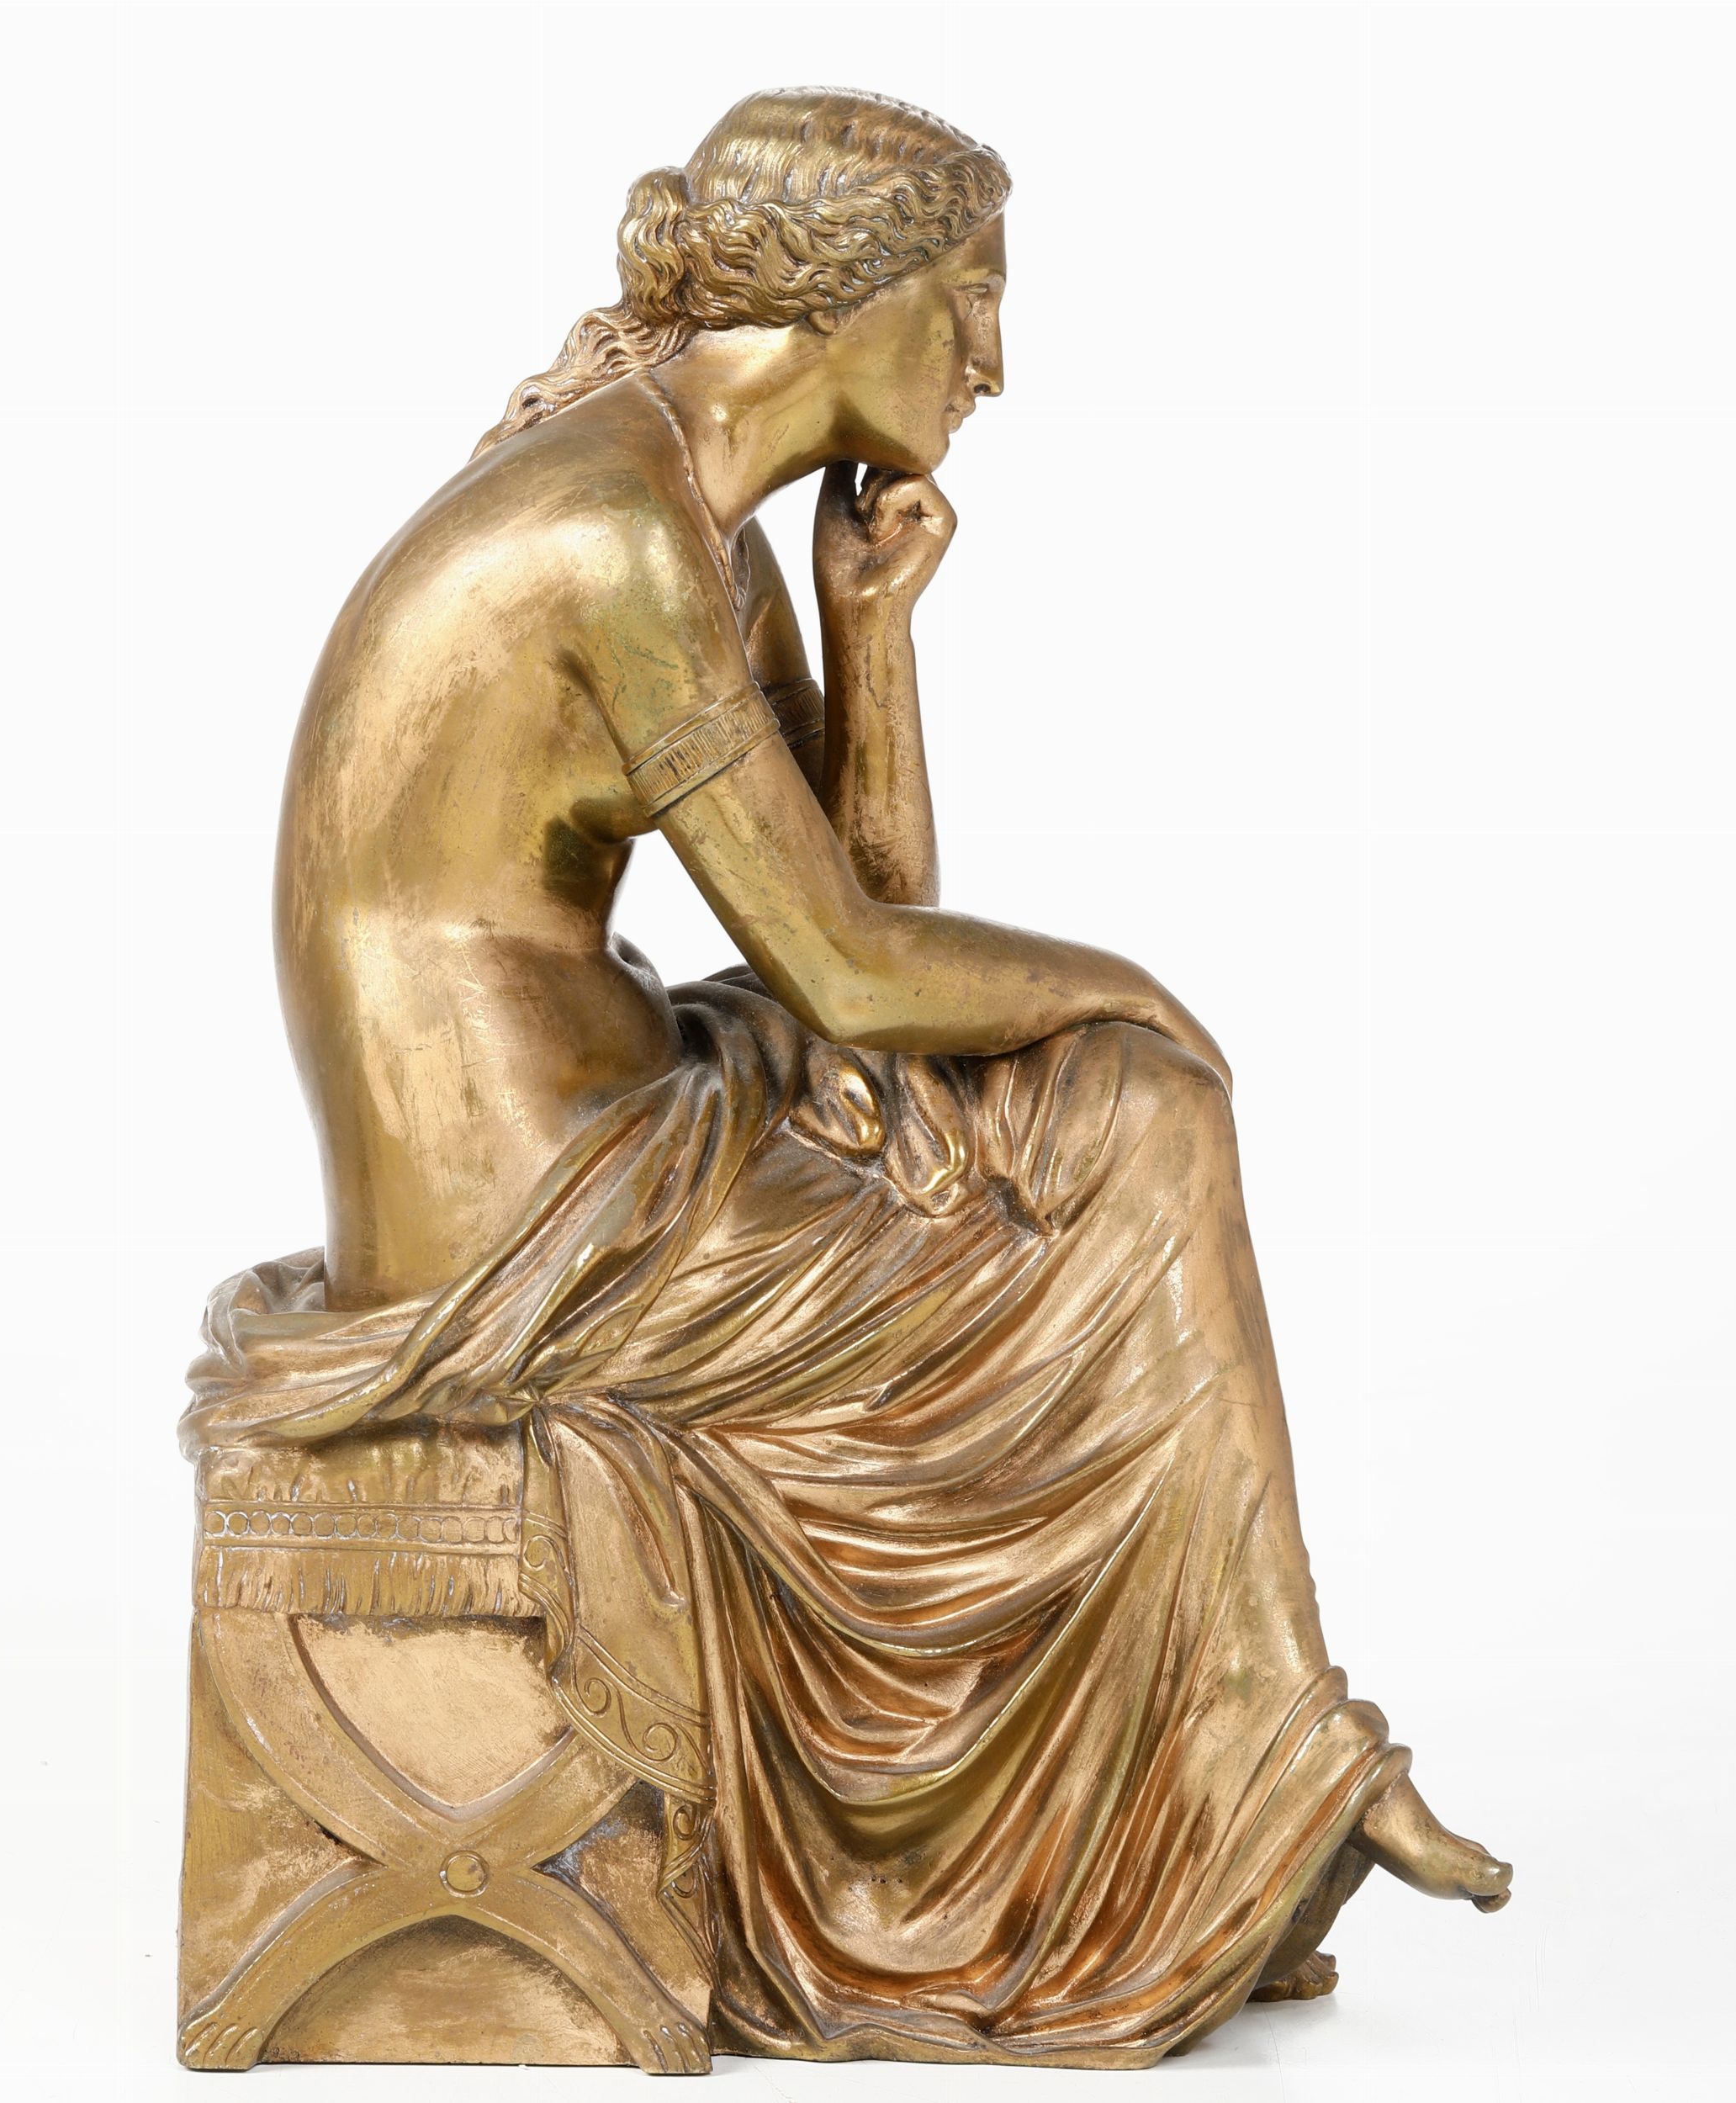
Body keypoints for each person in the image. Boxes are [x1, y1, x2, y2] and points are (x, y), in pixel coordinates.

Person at [186, 87, 1511, 2066]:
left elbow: (864, 914)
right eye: (969, 299)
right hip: (521, 1210)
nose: (993, 360)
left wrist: (865, 626)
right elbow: (848, 976)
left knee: (1119, 1120)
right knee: (1139, 1116)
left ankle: (1250, 1776)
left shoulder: (690, 521)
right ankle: (1247, 1778)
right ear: (845, 297)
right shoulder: (614, 538)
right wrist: (1135, 991)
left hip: (616, 1108)